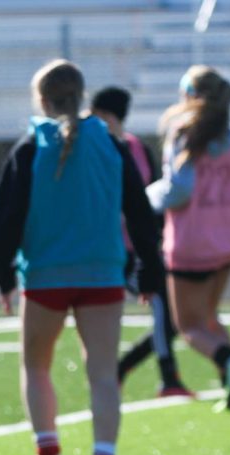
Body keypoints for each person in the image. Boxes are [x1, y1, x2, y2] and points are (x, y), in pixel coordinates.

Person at [0, 60, 164, 455]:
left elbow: (5, 218)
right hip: (102, 272)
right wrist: (149, 269)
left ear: (41, 99)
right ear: (81, 96)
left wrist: (3, 273)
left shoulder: (31, 146)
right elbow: (140, 213)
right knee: (103, 373)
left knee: (36, 365)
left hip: (46, 275)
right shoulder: (112, 144)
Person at [146, 66, 230, 412]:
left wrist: (144, 199)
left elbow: (178, 190)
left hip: (191, 244)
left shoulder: (184, 134)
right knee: (210, 317)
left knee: (189, 327)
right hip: (227, 243)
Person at [90, 86, 193, 400]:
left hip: (136, 246)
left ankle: (124, 368)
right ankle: (167, 376)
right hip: (112, 249)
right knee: (163, 308)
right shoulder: (93, 148)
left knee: (173, 316)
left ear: (108, 116)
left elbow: (146, 200)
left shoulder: (133, 147)